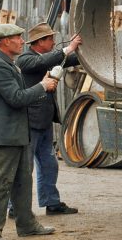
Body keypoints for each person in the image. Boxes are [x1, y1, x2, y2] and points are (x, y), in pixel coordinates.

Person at [0, 23, 58, 240]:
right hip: (6, 138)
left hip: (17, 135)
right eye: (18, 38)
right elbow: (16, 98)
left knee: (23, 182)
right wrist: (42, 86)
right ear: (6, 42)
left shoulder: (7, 63)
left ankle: (27, 225)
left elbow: (19, 95)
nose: (22, 41)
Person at [14, 22, 82, 216]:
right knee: (25, 168)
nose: (53, 42)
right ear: (39, 42)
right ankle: (15, 207)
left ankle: (51, 203)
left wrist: (83, 50)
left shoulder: (47, 58)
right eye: (50, 39)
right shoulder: (25, 59)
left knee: (49, 165)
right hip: (30, 122)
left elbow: (69, 59)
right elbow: (43, 62)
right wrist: (69, 48)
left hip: (44, 121)